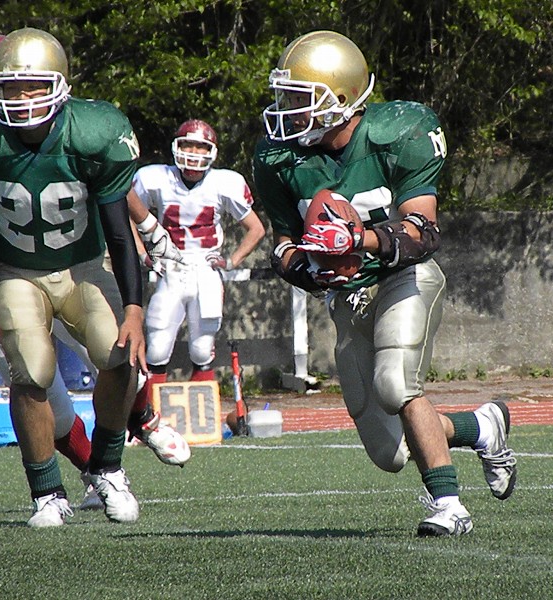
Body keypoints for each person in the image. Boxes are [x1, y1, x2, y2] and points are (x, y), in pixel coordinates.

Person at [253, 30, 517, 537]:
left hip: (404, 275)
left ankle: (449, 506)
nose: (287, 110)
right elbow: (283, 242)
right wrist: (307, 266)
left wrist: (360, 239)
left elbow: (423, 231)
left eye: (300, 98)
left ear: (341, 98)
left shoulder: (398, 132)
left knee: (396, 383)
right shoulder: (278, 157)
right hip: (347, 295)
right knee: (390, 451)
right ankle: (481, 427)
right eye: (285, 96)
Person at [0, 27, 145, 527]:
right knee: (31, 371)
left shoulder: (95, 131)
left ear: (60, 85)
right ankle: (46, 493)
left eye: (35, 87)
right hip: (15, 269)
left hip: (82, 265)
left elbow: (119, 232)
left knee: (119, 354)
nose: (23, 100)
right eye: (11, 88)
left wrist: (134, 309)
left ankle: (107, 467)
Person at [127, 119, 265, 411]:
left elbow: (256, 229)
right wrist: (142, 253)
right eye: (188, 145)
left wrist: (232, 261)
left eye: (200, 147)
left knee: (202, 349)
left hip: (205, 269)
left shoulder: (223, 183)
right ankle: (147, 416)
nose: (192, 154)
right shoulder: (156, 178)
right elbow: (127, 213)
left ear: (211, 151)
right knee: (157, 347)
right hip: (171, 268)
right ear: (176, 147)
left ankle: (199, 416)